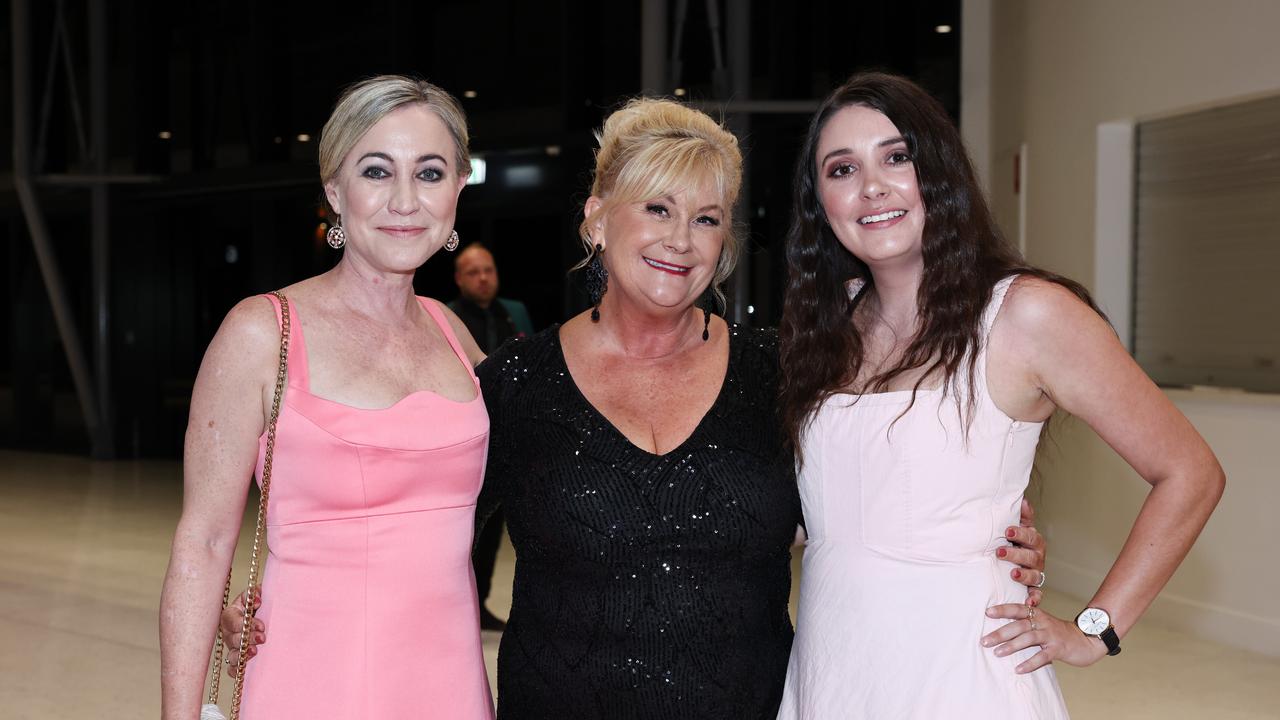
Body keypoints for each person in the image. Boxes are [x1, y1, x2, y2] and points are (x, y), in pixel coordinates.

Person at [220, 96, 1050, 719]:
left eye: (706, 218)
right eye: (655, 207)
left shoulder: (782, 372)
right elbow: (414, 515)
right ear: (596, 218)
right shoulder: (513, 383)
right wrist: (277, 596)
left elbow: (871, 488)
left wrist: (988, 531)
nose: (679, 239)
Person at [775, 72, 1225, 719]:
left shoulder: (1027, 315)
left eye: (896, 157)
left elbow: (1190, 472)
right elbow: (825, 510)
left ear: (939, 170)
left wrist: (1095, 629)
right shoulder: (827, 330)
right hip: (833, 671)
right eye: (841, 169)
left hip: (963, 677)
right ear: (820, 200)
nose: (871, 186)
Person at [158, 76, 493, 719]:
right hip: (311, 682)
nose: (404, 199)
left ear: (457, 189)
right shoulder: (263, 332)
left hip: (448, 686)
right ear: (335, 190)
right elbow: (202, 543)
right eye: (376, 170)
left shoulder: (454, 335)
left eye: (429, 172)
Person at [448, 242, 534, 631]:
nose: (483, 278)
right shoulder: (448, 319)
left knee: (499, 529)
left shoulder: (514, 312)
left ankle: (480, 604)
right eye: (473, 272)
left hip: (508, 435)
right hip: (463, 437)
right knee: (462, 529)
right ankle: (456, 605)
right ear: (459, 279)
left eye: (489, 270)